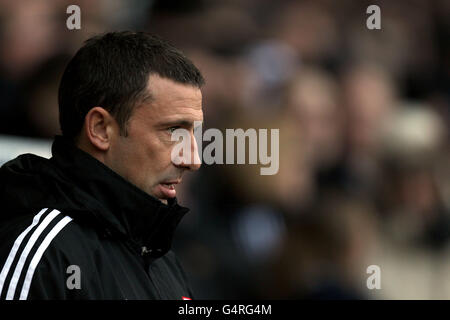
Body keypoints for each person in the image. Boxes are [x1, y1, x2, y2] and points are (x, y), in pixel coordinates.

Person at [0, 31, 204, 300]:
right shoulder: (45, 253)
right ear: (100, 129)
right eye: (173, 131)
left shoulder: (159, 255)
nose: (192, 160)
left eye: (194, 133)